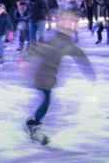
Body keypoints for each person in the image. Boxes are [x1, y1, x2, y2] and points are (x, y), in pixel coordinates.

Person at [23, 11, 95, 145]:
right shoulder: (58, 39)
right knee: (46, 101)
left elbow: (78, 54)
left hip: (47, 75)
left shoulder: (62, 40)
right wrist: (27, 61)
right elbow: (77, 53)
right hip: (44, 75)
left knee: (46, 100)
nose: (73, 25)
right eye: (70, 22)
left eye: (74, 23)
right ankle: (33, 125)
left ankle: (33, 122)